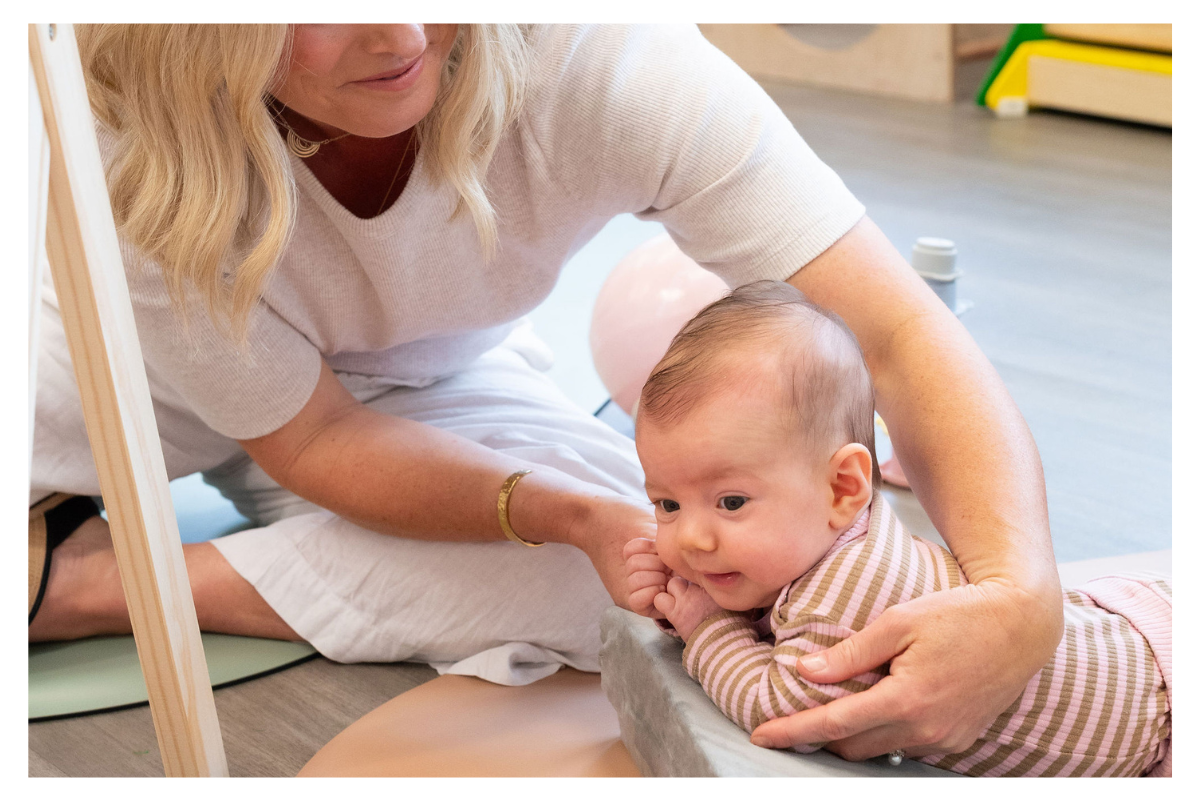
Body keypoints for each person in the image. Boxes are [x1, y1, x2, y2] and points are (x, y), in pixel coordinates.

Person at [29, 23, 1064, 757]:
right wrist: (555, 509)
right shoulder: (124, 149)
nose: (395, 37)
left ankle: (87, 584)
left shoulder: (606, 59)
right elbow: (311, 440)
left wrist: (1021, 596)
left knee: (674, 581)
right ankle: (60, 564)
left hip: (414, 373)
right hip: (113, 356)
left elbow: (895, 328)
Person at [624, 281, 1172, 776]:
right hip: (1129, 631)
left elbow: (777, 707)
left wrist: (706, 626)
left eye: (731, 501)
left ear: (843, 488)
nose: (691, 538)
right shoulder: (831, 535)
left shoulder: (841, 593)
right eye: (667, 504)